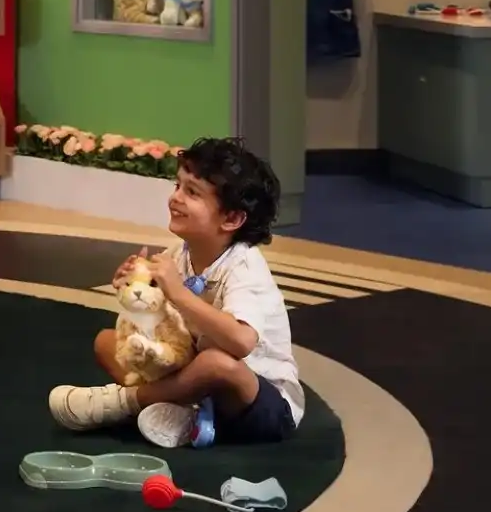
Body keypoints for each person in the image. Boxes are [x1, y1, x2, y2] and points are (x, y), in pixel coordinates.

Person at [48, 136, 302, 449]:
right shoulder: (179, 254)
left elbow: (241, 341)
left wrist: (179, 293)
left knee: (216, 363)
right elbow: (158, 321)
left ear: (232, 218)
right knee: (108, 342)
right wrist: (135, 287)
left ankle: (124, 403)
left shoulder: (245, 266)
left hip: (260, 403)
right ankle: (180, 412)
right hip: (195, 378)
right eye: (177, 185)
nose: (175, 198)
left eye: (192, 192)